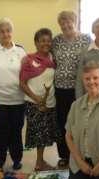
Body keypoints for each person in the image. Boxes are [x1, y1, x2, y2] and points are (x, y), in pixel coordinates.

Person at [0, 17, 27, 170]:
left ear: (12, 32)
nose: (5, 34)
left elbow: (25, 75)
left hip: (18, 100)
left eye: (8, 31)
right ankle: (0, 161)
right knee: (0, 132)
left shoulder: (20, 51)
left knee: (16, 131)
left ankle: (16, 159)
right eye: (2, 31)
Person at [52, 11, 91, 168]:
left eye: (69, 21)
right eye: (63, 22)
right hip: (60, 89)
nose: (66, 25)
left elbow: (91, 61)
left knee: (79, 122)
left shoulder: (86, 39)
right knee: (62, 123)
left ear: (76, 22)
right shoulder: (56, 41)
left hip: (79, 90)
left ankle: (80, 154)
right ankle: (64, 155)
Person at [19, 28, 58, 171]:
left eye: (48, 41)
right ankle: (39, 163)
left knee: (46, 134)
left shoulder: (53, 58)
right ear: (36, 42)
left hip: (50, 102)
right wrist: (36, 98)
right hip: (34, 103)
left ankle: (40, 161)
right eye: (42, 41)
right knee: (38, 134)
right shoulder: (29, 60)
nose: (46, 43)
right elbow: (22, 83)